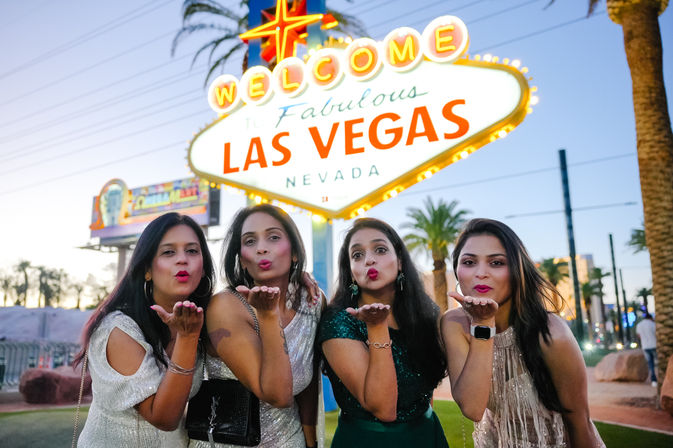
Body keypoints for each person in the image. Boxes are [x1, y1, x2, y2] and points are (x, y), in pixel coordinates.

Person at [442, 218, 605, 447]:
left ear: (517, 269)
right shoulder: (454, 323)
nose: (481, 273)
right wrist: (483, 323)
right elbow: (472, 407)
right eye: (469, 262)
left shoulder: (550, 333)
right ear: (457, 270)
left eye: (496, 263)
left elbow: (580, 423)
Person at [75, 212, 215, 447]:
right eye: (168, 252)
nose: (182, 259)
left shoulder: (201, 320)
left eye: (192, 251)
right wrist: (187, 337)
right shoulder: (119, 329)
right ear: (147, 270)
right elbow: (164, 417)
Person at [190, 204, 323, 448]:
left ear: (294, 252)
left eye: (273, 237)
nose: (261, 248)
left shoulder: (311, 301)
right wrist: (268, 315)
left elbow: (309, 380)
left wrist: (311, 441)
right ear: (241, 259)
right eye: (250, 241)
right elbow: (278, 395)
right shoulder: (225, 307)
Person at [318, 217, 448, 447]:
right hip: (367, 440)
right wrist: (376, 327)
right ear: (351, 271)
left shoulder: (425, 314)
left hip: (427, 435)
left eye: (380, 249)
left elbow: (427, 391)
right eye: (357, 255)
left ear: (399, 262)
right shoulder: (338, 320)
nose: (369, 260)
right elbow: (383, 409)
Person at [636, 312, 657, 386]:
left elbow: (639, 335)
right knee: (658, 362)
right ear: (650, 318)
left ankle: (654, 380)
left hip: (645, 346)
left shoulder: (639, 325)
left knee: (650, 364)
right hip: (654, 345)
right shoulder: (653, 324)